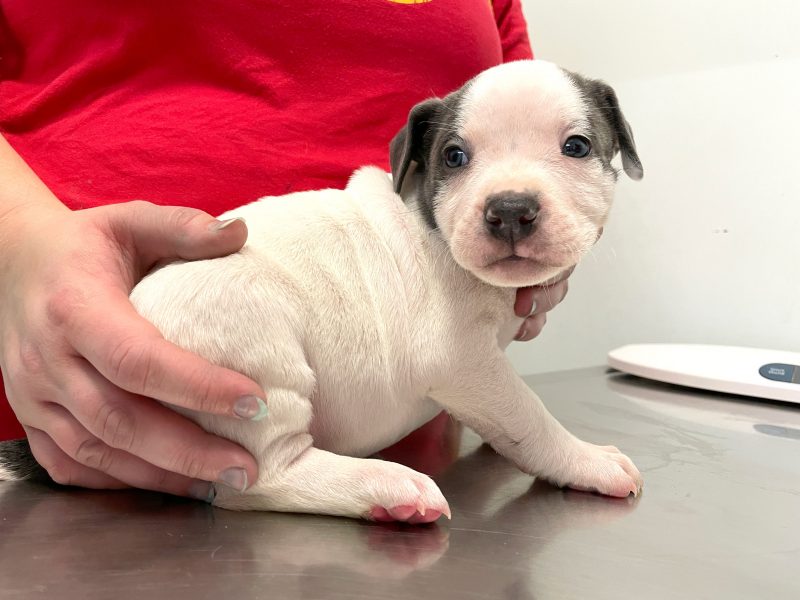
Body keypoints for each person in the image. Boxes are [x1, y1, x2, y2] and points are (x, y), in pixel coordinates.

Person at [0, 0, 570, 500]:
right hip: (64, 418)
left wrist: (540, 238)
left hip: (405, 443)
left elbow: (518, 120)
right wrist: (17, 232)